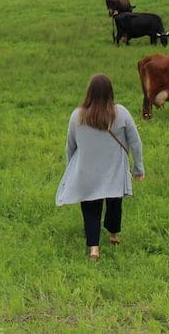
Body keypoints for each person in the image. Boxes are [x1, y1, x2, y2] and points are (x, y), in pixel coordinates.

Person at [56, 73, 145, 259]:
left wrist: (70, 169)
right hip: (114, 169)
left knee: (90, 207)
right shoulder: (121, 113)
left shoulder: (77, 116)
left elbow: (70, 146)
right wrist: (138, 168)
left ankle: (94, 248)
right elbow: (135, 142)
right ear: (110, 91)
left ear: (89, 92)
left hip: (87, 170)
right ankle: (113, 235)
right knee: (114, 202)